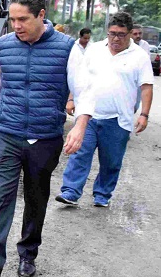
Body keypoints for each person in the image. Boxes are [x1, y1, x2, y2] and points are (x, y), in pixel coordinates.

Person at [0, 0, 94, 277]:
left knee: (36, 197)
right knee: (0, 197)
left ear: (41, 15)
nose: (16, 25)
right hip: (6, 133)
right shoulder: (4, 45)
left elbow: (85, 90)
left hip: (44, 137)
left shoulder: (67, 48)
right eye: (12, 19)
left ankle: (28, 253)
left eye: (22, 19)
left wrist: (79, 126)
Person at [56, 12, 154, 208]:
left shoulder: (140, 56)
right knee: (79, 154)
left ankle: (102, 194)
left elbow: (146, 86)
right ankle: (71, 192)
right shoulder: (94, 50)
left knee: (111, 161)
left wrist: (144, 114)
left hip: (119, 119)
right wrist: (72, 98)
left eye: (121, 34)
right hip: (89, 116)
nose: (116, 38)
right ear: (107, 32)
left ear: (129, 34)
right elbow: (80, 78)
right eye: (112, 33)